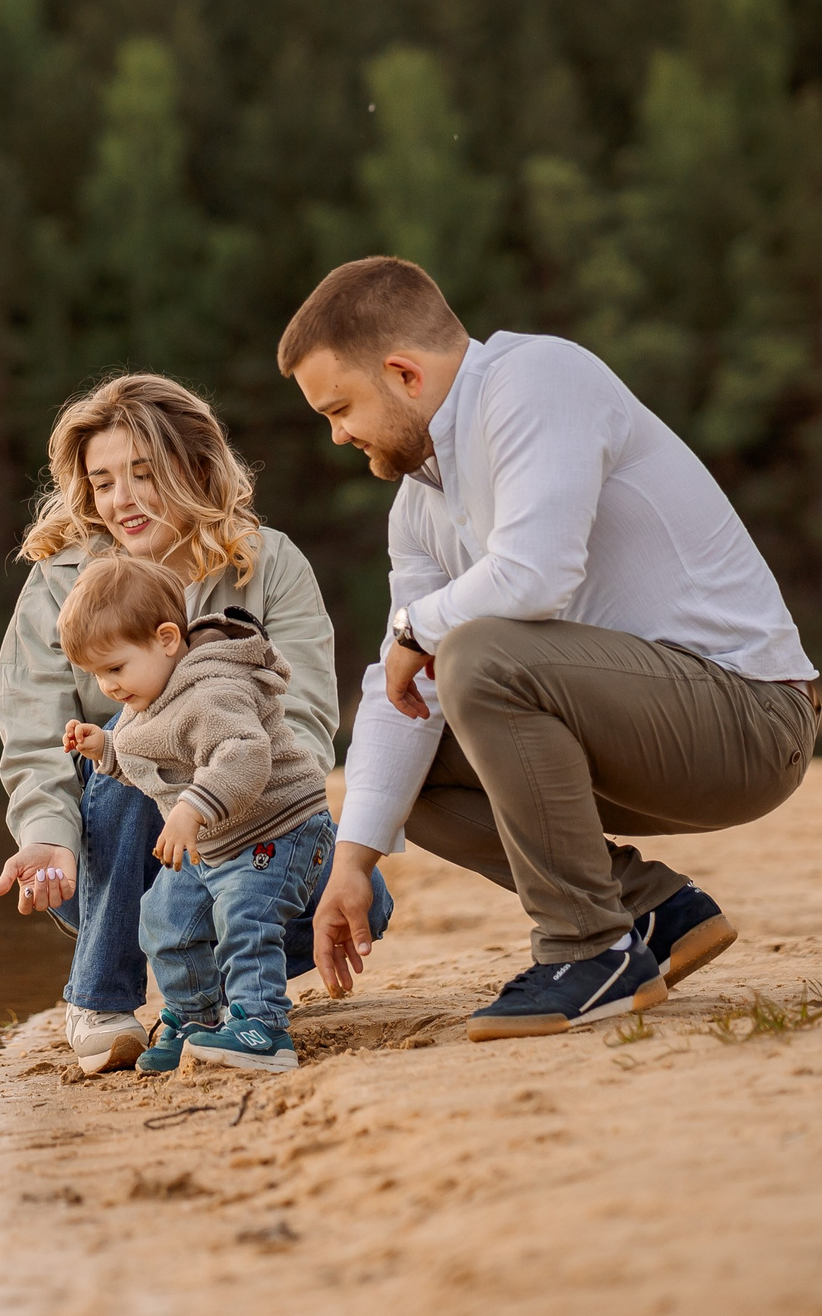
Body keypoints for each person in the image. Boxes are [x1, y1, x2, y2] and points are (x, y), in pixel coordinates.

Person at [278, 256, 820, 1041]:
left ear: (402, 373)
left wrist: (414, 628)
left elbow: (533, 576)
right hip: (637, 734)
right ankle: (649, 912)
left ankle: (587, 949)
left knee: (476, 656)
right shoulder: (416, 506)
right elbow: (404, 692)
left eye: (339, 407)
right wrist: (352, 863)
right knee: (402, 773)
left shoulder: (536, 379)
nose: (336, 434)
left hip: (749, 719)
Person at [0, 373, 392, 1073]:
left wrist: (220, 824)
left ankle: (213, 999)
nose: (122, 499)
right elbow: (34, 735)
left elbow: (299, 725)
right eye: (103, 481)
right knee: (135, 745)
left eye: (143, 473)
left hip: (251, 833)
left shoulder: (269, 564)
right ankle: (101, 998)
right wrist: (46, 837)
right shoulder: (59, 579)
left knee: (368, 899)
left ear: (196, 466)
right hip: (109, 865)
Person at [57, 555, 333, 1073]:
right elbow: (157, 757)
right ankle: (195, 1017)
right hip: (216, 840)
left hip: (277, 829)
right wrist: (106, 751)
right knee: (163, 918)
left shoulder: (213, 689)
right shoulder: (151, 697)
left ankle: (263, 1027)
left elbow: (244, 755)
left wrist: (192, 807)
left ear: (166, 639)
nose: (108, 686)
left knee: (245, 918)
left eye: (115, 668)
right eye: (96, 675)